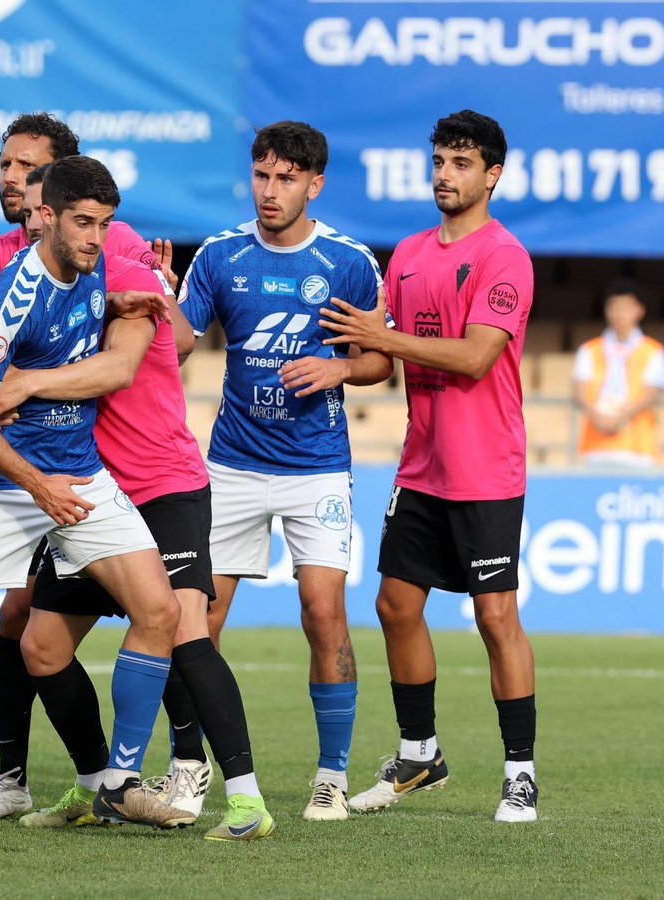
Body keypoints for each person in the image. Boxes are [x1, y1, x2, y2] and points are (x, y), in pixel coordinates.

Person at [0, 155, 192, 835]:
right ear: (47, 218)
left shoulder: (92, 274)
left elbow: (116, 334)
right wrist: (36, 485)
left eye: (105, 224)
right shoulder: (13, 293)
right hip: (6, 485)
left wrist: (120, 302)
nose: (96, 237)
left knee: (158, 610)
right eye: (84, 223)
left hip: (78, 473)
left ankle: (117, 783)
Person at [0, 163, 274, 842]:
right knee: (43, 646)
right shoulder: (38, 277)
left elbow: (126, 365)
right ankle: (102, 787)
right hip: (90, 490)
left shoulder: (130, 268)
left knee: (184, 630)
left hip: (161, 480)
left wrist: (28, 382)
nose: (22, 204)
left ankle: (246, 798)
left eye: (29, 183)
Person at [320, 110, 540, 823]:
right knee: (394, 605)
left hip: (486, 470)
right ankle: (420, 754)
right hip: (422, 468)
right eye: (440, 160)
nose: (445, 174)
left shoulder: (505, 257)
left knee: (495, 616)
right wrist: (339, 365)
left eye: (462, 163)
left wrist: (387, 337)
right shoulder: (410, 254)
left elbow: (476, 355)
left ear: (493, 174)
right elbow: (387, 359)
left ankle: (520, 772)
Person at [176, 121, 393, 821]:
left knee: (323, 612)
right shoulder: (219, 255)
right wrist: (150, 294)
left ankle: (330, 775)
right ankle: (190, 766)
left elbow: (381, 359)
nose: (271, 191)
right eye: (262, 176)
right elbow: (174, 345)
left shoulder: (350, 262)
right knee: (197, 620)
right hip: (233, 464)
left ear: (315, 183)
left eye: (287, 178)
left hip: (317, 467)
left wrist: (339, 365)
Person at [572, 279, 664, 467]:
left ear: (639, 310)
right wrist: (597, 416)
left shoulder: (654, 351)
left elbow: (652, 394)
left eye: (625, 307)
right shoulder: (589, 349)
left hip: (637, 447)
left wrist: (621, 417)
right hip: (596, 445)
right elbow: (580, 391)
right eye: (614, 307)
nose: (619, 314)